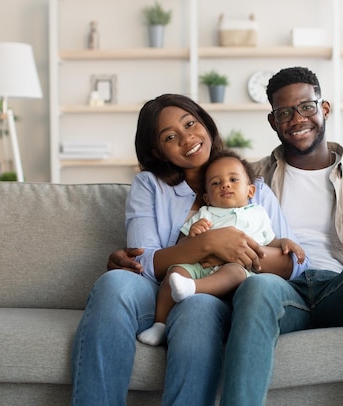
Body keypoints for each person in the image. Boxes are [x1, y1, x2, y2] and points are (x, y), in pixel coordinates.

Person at [108, 67, 343, 405]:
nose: (298, 119)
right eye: (285, 112)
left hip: (342, 286)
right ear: (273, 122)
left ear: (324, 108)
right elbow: (207, 228)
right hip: (282, 290)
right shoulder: (246, 176)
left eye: (307, 107)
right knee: (257, 284)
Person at [70, 93, 308, 406]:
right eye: (171, 137)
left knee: (197, 307)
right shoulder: (150, 186)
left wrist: (235, 255)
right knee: (114, 283)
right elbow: (145, 259)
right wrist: (208, 243)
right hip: (160, 290)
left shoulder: (252, 186)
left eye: (191, 124)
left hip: (230, 293)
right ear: (158, 150)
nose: (188, 138)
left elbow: (295, 264)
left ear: (206, 125)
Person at [137, 149, 306, 346]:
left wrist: (285, 242)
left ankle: (193, 289)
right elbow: (181, 247)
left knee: (234, 271)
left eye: (233, 179)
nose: (225, 184)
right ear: (207, 197)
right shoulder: (205, 213)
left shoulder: (257, 214)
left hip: (238, 271)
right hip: (201, 267)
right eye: (216, 183)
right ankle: (160, 324)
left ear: (250, 191)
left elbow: (269, 241)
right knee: (175, 271)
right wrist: (193, 234)